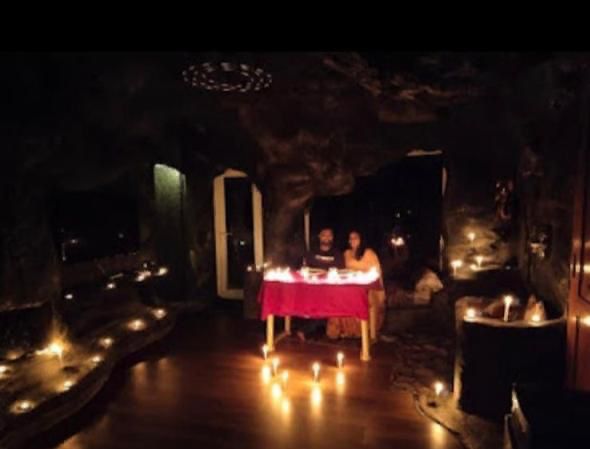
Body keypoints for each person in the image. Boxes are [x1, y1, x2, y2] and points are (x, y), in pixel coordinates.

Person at [326, 230, 386, 340]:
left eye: (355, 238)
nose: (352, 240)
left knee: (366, 298)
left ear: (361, 240)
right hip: (350, 285)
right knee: (338, 296)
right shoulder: (347, 253)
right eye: (350, 238)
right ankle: (344, 329)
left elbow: (376, 273)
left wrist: (361, 275)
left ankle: (363, 329)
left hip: (366, 286)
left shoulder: (369, 253)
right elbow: (342, 269)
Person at [296, 227, 344, 341]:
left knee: (329, 303)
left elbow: (341, 271)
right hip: (313, 287)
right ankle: (310, 329)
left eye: (329, 235)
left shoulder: (337, 254)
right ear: (319, 237)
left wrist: (328, 273)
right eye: (324, 235)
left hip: (331, 288)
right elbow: (306, 269)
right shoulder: (312, 252)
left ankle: (310, 329)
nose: (326, 237)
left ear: (332, 238)